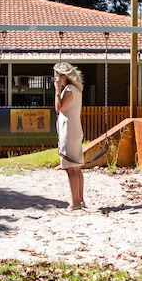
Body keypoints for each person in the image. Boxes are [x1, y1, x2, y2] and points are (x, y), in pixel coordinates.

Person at [53, 63, 85, 209]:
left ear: (63, 77)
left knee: (70, 168)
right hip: (74, 129)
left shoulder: (69, 90)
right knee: (77, 167)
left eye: (57, 75)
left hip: (69, 131)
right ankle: (80, 199)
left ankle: (75, 202)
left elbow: (59, 108)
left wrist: (57, 90)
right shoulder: (76, 89)